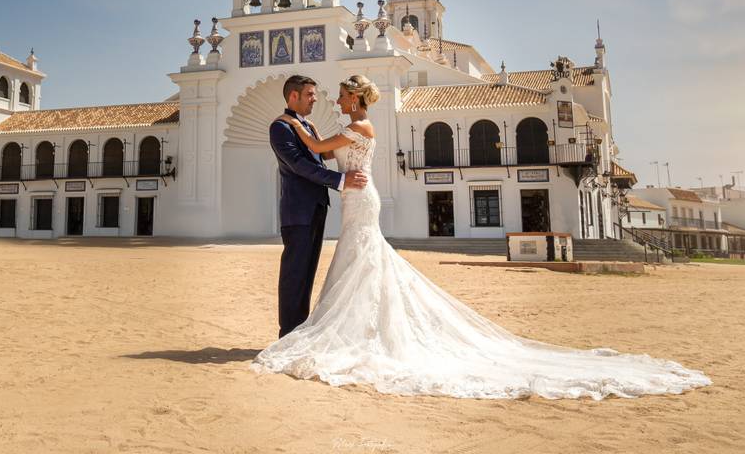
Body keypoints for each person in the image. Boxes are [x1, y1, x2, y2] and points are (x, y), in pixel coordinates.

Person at [254, 74, 712, 400]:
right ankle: (302, 329)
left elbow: (313, 154)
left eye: (334, 95)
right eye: (314, 96)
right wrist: (305, 139)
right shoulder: (306, 125)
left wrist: (310, 143)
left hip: (350, 199)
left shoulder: (350, 127)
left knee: (352, 264)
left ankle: (309, 331)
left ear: (355, 100)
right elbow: (304, 160)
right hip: (339, 201)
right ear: (295, 95)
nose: (325, 100)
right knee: (335, 266)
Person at [268, 75, 367, 339]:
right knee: (294, 274)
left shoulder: (308, 125)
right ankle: (287, 334)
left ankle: (299, 332)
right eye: (310, 94)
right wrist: (340, 180)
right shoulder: (281, 128)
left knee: (307, 272)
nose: (314, 98)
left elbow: (322, 152)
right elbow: (299, 165)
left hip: (317, 207)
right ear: (294, 96)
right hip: (297, 211)